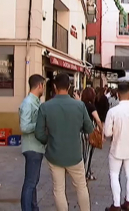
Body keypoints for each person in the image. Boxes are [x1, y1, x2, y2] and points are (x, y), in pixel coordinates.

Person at [34, 73, 94, 211]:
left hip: (54, 154)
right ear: (69, 87)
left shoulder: (45, 107)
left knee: (58, 189)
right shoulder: (79, 106)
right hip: (74, 154)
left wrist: (48, 141)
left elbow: (39, 133)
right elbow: (89, 128)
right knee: (81, 186)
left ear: (54, 87)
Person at [104, 83, 129, 211]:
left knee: (114, 174)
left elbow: (107, 133)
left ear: (117, 94)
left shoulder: (112, 111)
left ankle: (116, 204)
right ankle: (128, 202)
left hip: (117, 147)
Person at [19, 74, 45, 211]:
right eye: (44, 86)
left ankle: (34, 207)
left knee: (33, 182)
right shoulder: (28, 103)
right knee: (30, 183)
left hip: (37, 147)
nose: (44, 89)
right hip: (32, 148)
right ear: (40, 85)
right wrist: (40, 125)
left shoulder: (35, 102)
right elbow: (24, 127)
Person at [80, 87, 103, 180]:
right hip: (89, 132)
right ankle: (86, 173)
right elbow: (97, 119)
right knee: (88, 154)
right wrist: (101, 130)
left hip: (80, 132)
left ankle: (87, 171)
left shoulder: (80, 105)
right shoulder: (91, 106)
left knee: (83, 153)